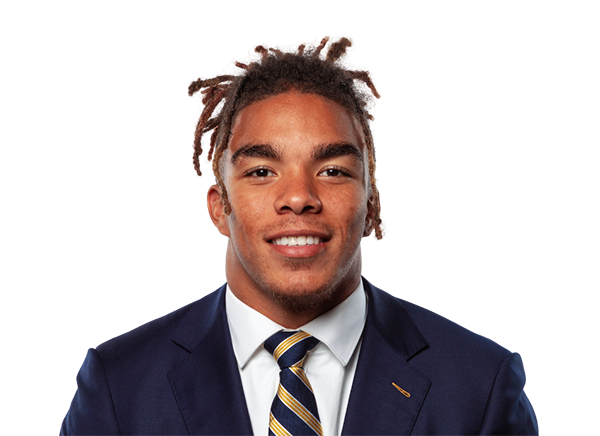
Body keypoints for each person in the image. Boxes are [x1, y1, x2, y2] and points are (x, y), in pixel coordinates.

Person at [61, 34, 538, 436]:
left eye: (332, 170)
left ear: (370, 201)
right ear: (219, 208)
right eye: (261, 171)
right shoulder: (119, 386)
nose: (298, 197)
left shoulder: (479, 386)